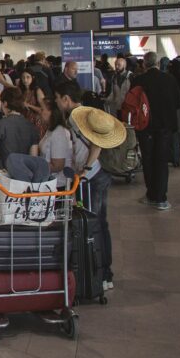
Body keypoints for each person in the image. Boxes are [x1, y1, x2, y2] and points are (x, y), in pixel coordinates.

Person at [55, 80, 117, 290]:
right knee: (100, 224)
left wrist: (86, 170)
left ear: (65, 98)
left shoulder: (75, 117)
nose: (56, 103)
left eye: (57, 98)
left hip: (92, 177)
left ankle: (100, 275)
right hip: (100, 174)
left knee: (94, 225)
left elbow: (96, 143)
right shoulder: (85, 112)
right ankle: (105, 274)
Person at [131, 52, 180, 210]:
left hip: (145, 128)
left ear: (144, 64)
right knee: (161, 160)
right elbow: (178, 103)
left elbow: (132, 104)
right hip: (165, 127)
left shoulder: (138, 80)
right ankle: (161, 198)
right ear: (158, 63)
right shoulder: (170, 79)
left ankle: (151, 194)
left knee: (148, 159)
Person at [36, 99, 73, 187]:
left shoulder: (59, 133)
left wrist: (36, 167)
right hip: (48, 181)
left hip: (57, 184)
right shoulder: (51, 130)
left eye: (42, 109)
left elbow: (58, 166)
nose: (40, 112)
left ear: (51, 112)